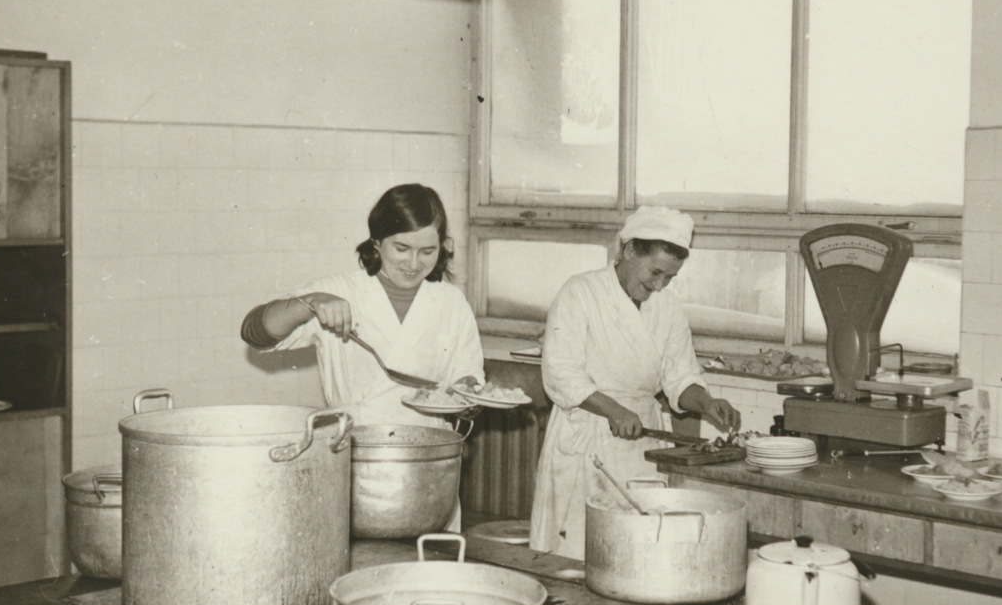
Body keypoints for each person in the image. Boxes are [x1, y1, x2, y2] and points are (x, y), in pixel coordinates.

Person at [529, 206, 741, 560]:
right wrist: (613, 409)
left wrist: (705, 402)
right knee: (579, 553)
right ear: (629, 251)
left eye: (669, 278)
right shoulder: (580, 292)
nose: (658, 285)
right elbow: (560, 372)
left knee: (639, 552)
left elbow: (679, 377)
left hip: (642, 440)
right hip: (589, 435)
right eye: (655, 271)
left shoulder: (668, 307)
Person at [240, 183, 484, 427]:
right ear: (377, 242)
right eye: (402, 248)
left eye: (427, 251)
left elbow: (467, 375)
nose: (413, 263)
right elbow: (254, 333)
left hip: (430, 448)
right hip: (352, 445)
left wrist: (469, 394)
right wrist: (310, 303)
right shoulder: (339, 292)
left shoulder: (451, 302)